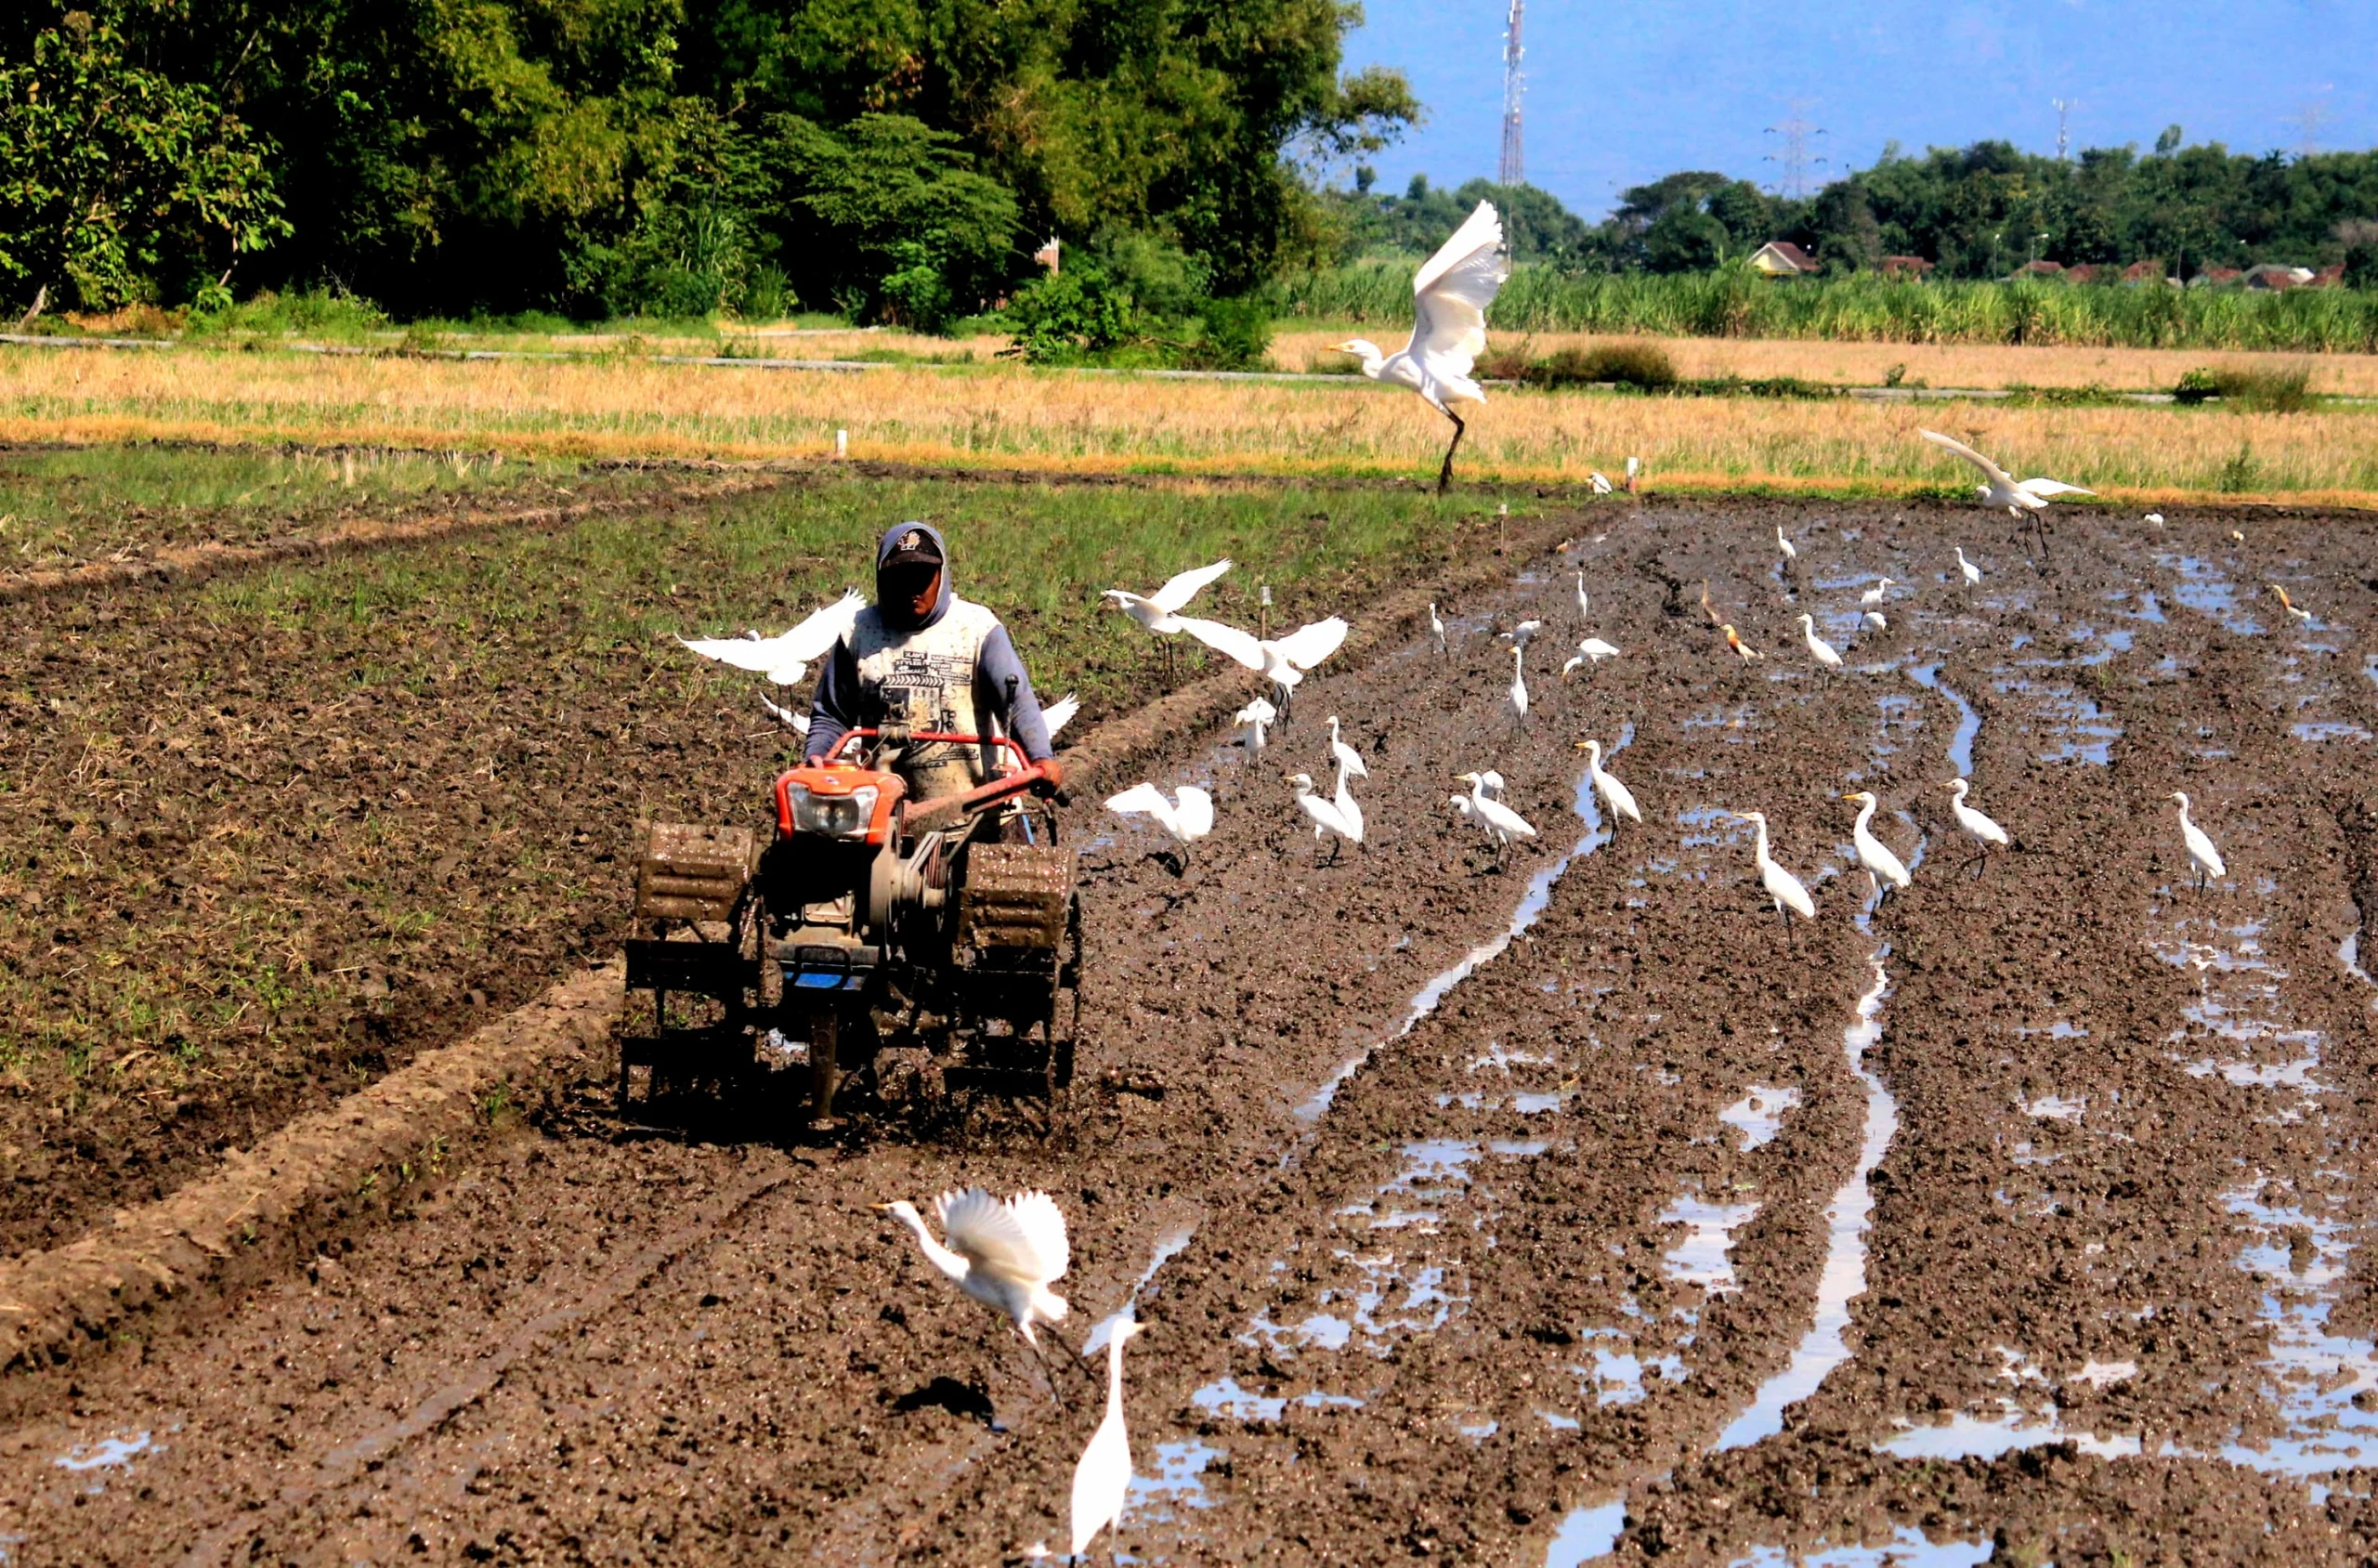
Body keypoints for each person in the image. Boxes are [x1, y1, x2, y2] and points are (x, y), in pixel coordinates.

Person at [804, 521, 1062, 805]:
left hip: (975, 805)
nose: (913, 589)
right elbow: (832, 714)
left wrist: (1040, 758)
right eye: (901, 577)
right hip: (883, 808)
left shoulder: (977, 629)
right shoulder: (857, 633)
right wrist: (816, 757)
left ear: (942, 575)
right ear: (882, 577)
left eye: (923, 576)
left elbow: (1016, 703)